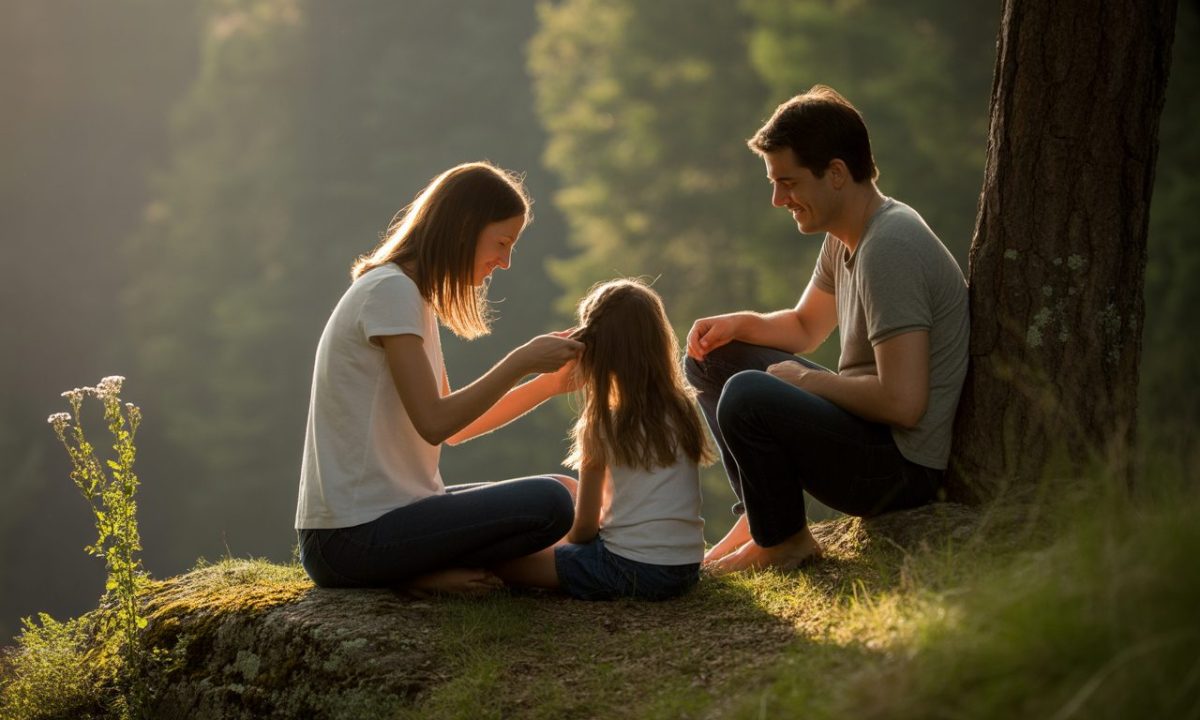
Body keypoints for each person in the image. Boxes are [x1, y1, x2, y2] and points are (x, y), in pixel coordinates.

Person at [685, 85, 969, 575]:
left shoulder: (890, 247)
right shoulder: (847, 237)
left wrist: (806, 381)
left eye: (789, 182)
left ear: (835, 173)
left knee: (748, 394)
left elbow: (904, 404)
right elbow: (802, 327)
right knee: (712, 359)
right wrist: (738, 324)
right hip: (866, 432)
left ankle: (785, 541)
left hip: (901, 467)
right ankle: (760, 518)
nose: (779, 199)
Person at [295, 161, 583, 596]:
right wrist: (520, 361)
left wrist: (549, 384)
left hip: (392, 518)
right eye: (501, 243)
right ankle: (413, 577)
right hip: (350, 537)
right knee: (551, 504)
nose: (504, 262)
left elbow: (457, 428)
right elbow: (435, 421)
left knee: (566, 490)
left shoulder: (411, 298)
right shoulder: (389, 292)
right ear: (464, 227)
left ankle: (423, 571)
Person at [511, 278, 714, 600]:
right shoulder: (682, 408)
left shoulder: (603, 422)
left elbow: (586, 529)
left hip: (631, 568)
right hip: (686, 567)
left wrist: (560, 546)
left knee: (513, 565)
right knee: (568, 497)